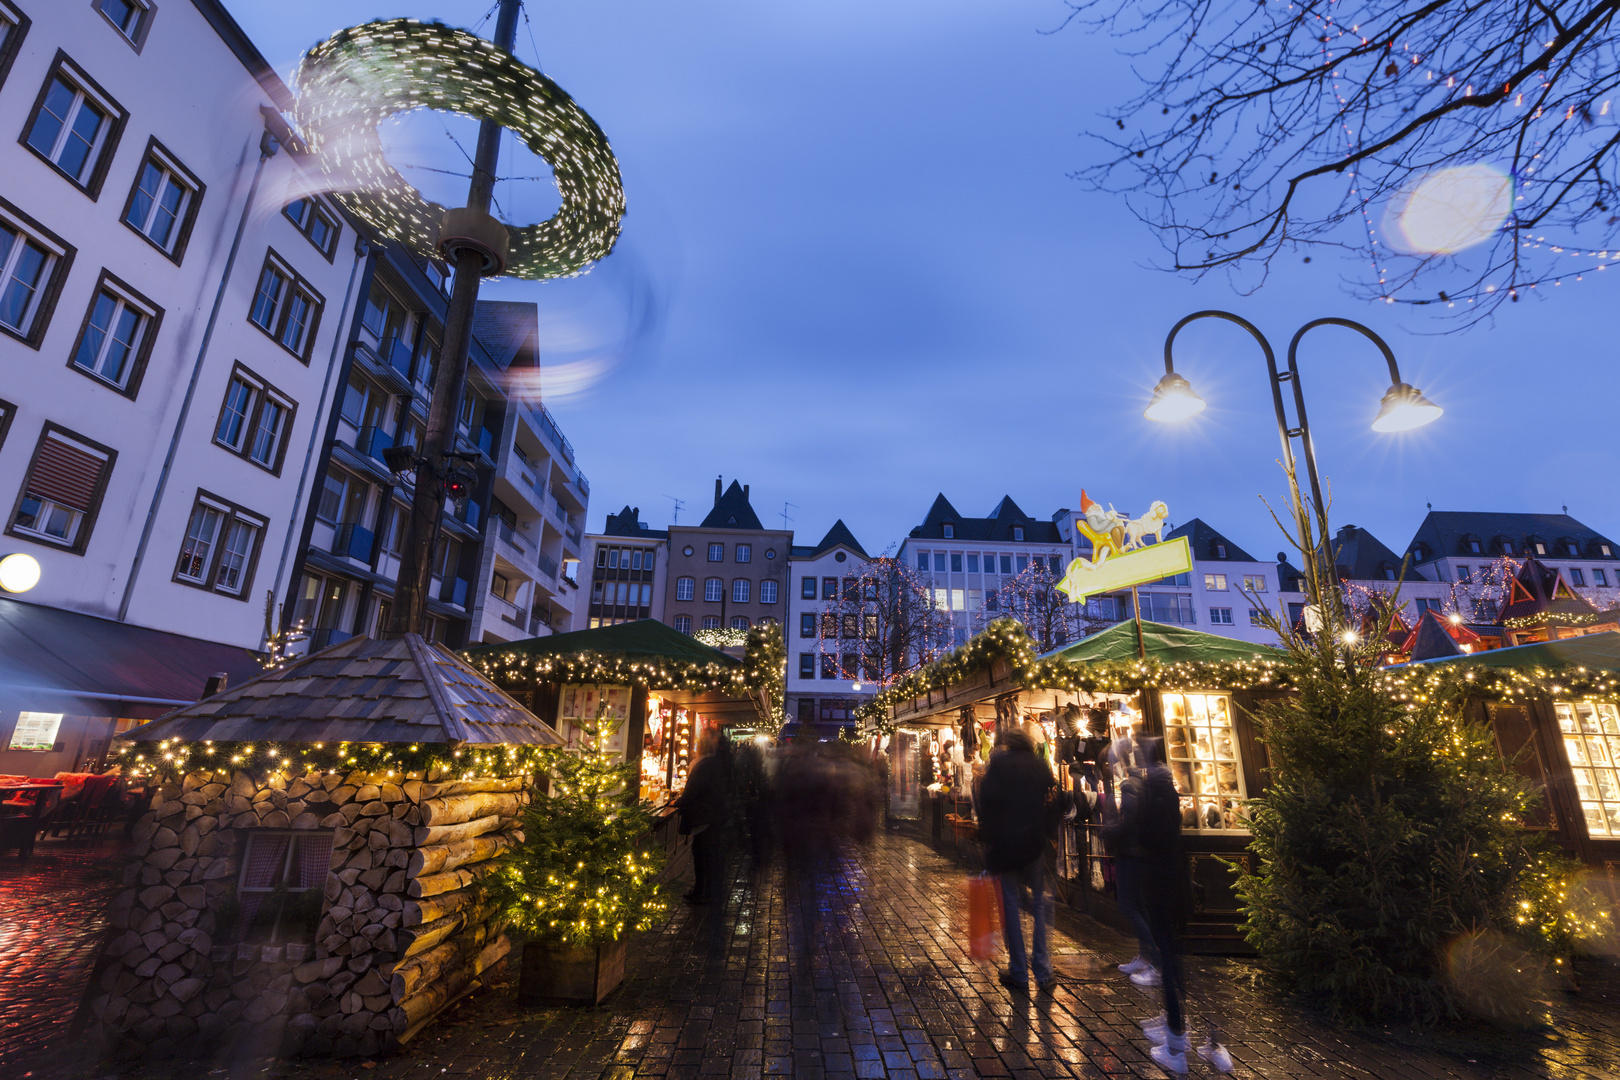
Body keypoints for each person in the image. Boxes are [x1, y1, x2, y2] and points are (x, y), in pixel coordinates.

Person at [977, 728, 1057, 994]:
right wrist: (1046, 829)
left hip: (1005, 845)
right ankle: (1043, 971)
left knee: (1011, 907)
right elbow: (1052, 795)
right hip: (1034, 844)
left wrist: (987, 840)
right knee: (1039, 905)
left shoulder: (999, 764)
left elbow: (985, 803)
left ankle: (1019, 972)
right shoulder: (1037, 765)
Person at [675, 729, 728, 905]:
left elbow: (692, 790)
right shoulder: (711, 764)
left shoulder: (702, 766)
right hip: (711, 815)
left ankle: (702, 892)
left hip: (704, 817)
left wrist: (679, 802)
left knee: (702, 855)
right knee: (708, 854)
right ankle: (708, 891)